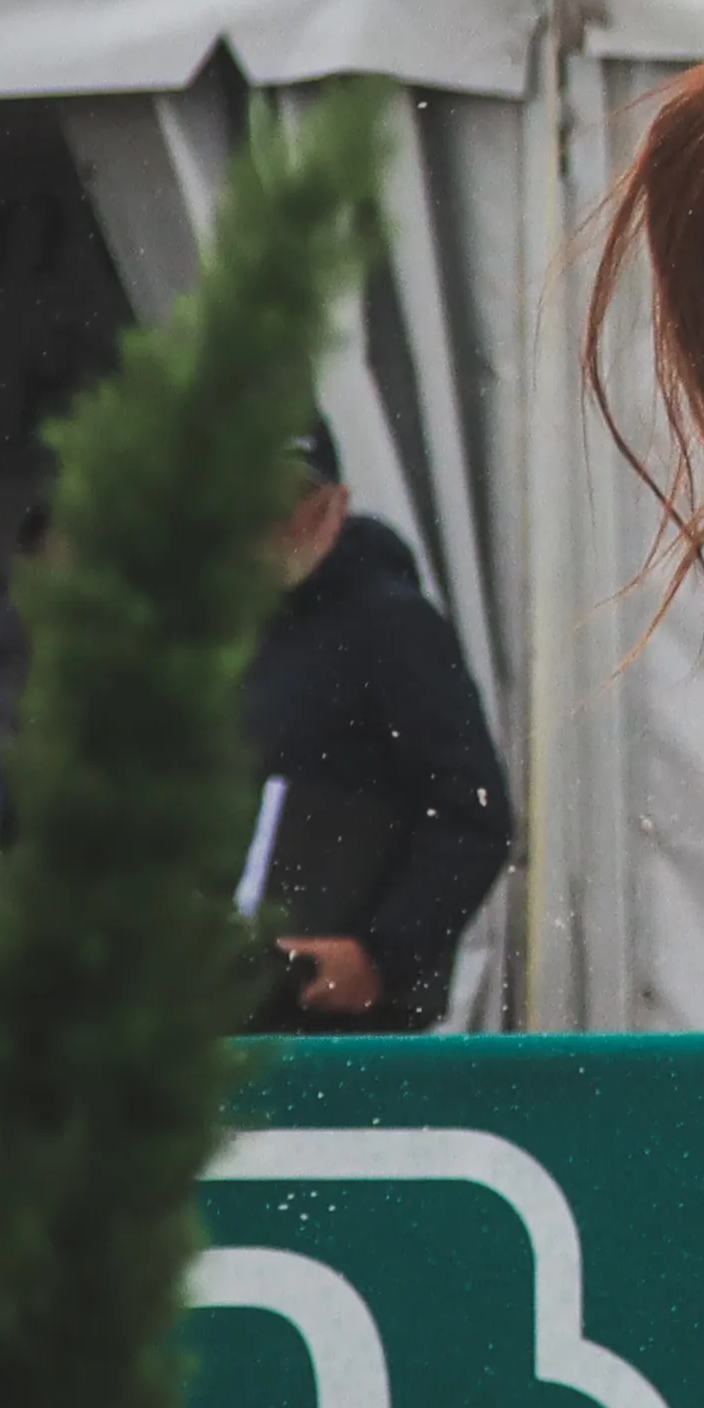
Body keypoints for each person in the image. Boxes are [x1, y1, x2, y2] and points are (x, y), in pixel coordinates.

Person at [236, 421, 512, 1029]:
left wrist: (382, 955)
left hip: (331, 1015)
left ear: (335, 506)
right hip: (214, 1008)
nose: (271, 526)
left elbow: (474, 812)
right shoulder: (211, 629)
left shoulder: (391, 626)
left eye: (290, 502)